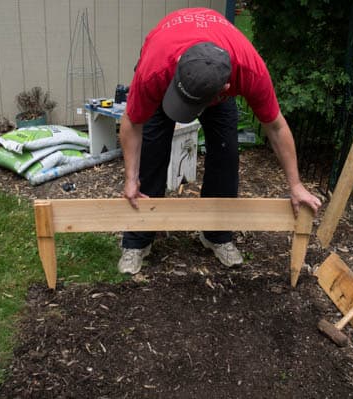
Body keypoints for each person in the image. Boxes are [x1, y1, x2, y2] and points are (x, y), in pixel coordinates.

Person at [117, 7, 322, 274]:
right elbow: (132, 122)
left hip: (216, 78)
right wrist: (131, 179)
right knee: (152, 152)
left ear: (225, 90)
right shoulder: (157, 68)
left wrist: (295, 185)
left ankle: (216, 234)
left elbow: (276, 126)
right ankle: (137, 240)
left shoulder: (248, 70)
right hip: (167, 70)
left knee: (226, 154)